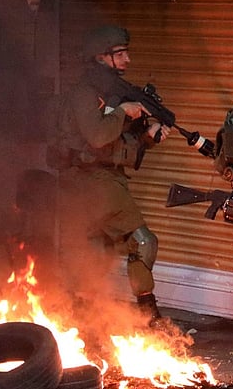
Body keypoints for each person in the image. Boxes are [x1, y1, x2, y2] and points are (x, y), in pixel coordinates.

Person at [51, 25, 172, 326]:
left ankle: (85, 321)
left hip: (98, 179)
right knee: (143, 242)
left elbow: (117, 142)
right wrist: (125, 112)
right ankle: (149, 317)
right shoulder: (85, 94)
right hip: (92, 182)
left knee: (97, 255)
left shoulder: (108, 92)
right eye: (120, 54)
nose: (127, 59)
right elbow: (98, 136)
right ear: (101, 57)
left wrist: (148, 136)